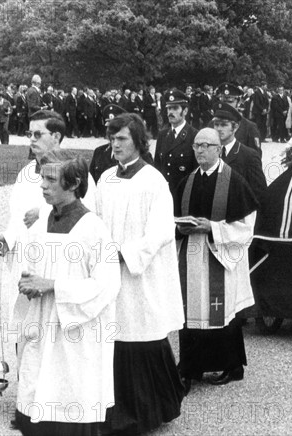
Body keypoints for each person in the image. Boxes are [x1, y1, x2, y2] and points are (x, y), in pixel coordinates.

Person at [12, 150, 120, 436]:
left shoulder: (93, 228)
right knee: (37, 399)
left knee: (68, 403)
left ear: (73, 184)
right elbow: (34, 266)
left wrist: (53, 285)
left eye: (50, 179)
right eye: (42, 178)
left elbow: (107, 285)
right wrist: (28, 282)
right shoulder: (42, 221)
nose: (43, 186)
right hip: (41, 324)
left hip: (76, 333)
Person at [96, 113, 185, 435]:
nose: (114, 144)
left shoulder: (153, 180)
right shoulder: (106, 178)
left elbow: (162, 230)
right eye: (112, 138)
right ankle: (114, 409)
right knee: (114, 332)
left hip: (140, 274)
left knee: (141, 332)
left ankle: (151, 409)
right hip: (109, 269)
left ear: (138, 141)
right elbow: (93, 221)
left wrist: (127, 253)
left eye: (121, 139)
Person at [174, 128, 259, 389]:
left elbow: (246, 226)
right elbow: (173, 218)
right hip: (190, 255)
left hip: (219, 256)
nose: (199, 150)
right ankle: (190, 368)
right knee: (190, 313)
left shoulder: (234, 182)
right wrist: (180, 227)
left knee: (221, 313)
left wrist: (211, 227)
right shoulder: (186, 182)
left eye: (205, 145)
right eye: (196, 146)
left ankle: (231, 366)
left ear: (218, 149)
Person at [0, 110, 96, 256]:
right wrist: (8, 239)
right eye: (30, 134)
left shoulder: (76, 173)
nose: (32, 139)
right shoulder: (25, 173)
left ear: (56, 136)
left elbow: (86, 218)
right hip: (26, 259)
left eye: (38, 134)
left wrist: (43, 213)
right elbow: (17, 216)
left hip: (59, 257)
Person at [211, 102, 267, 206]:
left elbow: (260, 193)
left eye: (224, 125)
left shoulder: (249, 156)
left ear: (235, 128)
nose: (219, 129)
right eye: (216, 124)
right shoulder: (210, 153)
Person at [89, 104, 154, 183]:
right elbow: (91, 184)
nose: (116, 144)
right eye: (109, 127)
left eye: (121, 138)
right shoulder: (99, 152)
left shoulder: (142, 155)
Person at [154, 88, 198, 194]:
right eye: (169, 109)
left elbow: (196, 171)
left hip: (184, 194)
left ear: (185, 111)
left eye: (175, 108)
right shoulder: (163, 134)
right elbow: (157, 166)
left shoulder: (194, 135)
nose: (170, 112)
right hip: (164, 193)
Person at [213, 82, 261, 155]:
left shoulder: (249, 127)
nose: (226, 105)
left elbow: (255, 158)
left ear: (238, 102)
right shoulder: (212, 124)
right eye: (223, 101)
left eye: (230, 101)